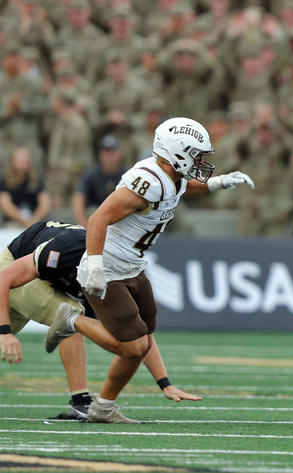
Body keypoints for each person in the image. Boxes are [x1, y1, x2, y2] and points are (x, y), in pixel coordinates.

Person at [58, 117, 254, 423]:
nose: (201, 162)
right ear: (177, 151)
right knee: (134, 346)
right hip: (109, 267)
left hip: (134, 266)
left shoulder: (170, 175)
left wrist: (218, 183)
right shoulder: (146, 181)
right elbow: (98, 219)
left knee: (146, 335)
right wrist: (95, 266)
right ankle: (71, 319)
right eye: (196, 154)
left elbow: (183, 188)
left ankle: (103, 407)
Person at [0, 220, 201, 420]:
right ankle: (81, 402)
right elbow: (4, 278)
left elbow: (140, 332)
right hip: (17, 264)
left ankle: (80, 402)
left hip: (59, 275)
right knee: (71, 315)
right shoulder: (68, 250)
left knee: (75, 316)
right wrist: (5, 332)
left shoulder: (125, 270)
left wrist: (164, 383)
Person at [72, 135, 126, 228]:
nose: (109, 157)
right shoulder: (91, 175)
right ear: (100, 154)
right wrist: (84, 226)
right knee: (93, 212)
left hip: (118, 220)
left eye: (112, 152)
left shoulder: (127, 176)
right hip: (94, 218)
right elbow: (78, 198)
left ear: (120, 153)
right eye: (106, 152)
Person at [0, 146, 50, 228]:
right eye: (21, 160)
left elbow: (45, 203)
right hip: (14, 222)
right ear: (13, 161)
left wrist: (34, 220)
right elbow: (5, 204)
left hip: (36, 221)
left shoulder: (37, 181)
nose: (24, 163)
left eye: (27, 160)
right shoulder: (5, 182)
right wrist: (24, 220)